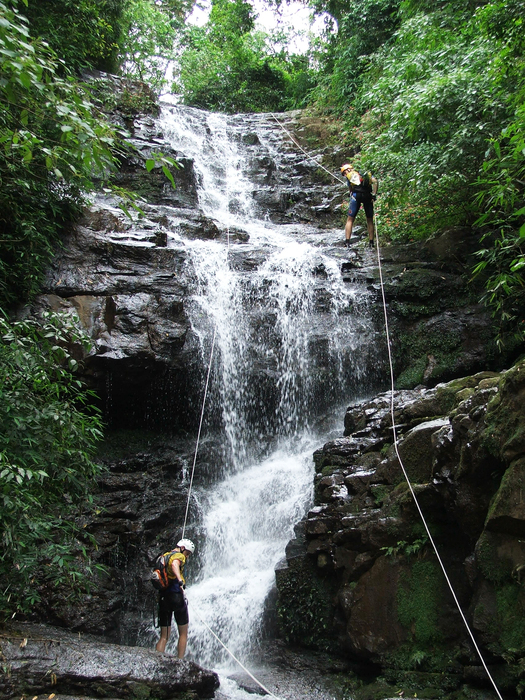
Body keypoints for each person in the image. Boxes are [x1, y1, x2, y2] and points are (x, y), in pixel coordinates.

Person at [155, 538, 195, 658]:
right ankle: (180, 661)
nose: (187, 557)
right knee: (183, 633)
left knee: (164, 636)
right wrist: (180, 580)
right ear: (182, 548)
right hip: (176, 597)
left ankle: (156, 661)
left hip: (163, 598)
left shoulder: (164, 556)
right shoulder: (179, 556)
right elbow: (175, 564)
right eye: (187, 553)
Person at [341, 164, 378, 248]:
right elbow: (375, 181)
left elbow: (350, 188)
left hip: (356, 196)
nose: (345, 175)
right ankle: (371, 243)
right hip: (367, 195)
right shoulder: (365, 173)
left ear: (346, 170)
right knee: (369, 220)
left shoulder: (350, 175)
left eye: (344, 173)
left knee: (350, 219)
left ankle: (347, 242)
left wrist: (351, 193)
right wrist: (374, 194)